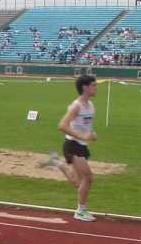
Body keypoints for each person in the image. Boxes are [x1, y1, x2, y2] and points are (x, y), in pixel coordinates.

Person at [40, 75, 98, 222]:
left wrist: (91, 134)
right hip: (72, 145)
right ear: (85, 87)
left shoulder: (90, 106)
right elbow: (62, 125)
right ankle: (80, 211)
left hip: (82, 147)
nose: (96, 87)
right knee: (88, 178)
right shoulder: (76, 106)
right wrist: (81, 136)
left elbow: (85, 127)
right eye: (93, 85)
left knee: (78, 183)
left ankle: (56, 162)